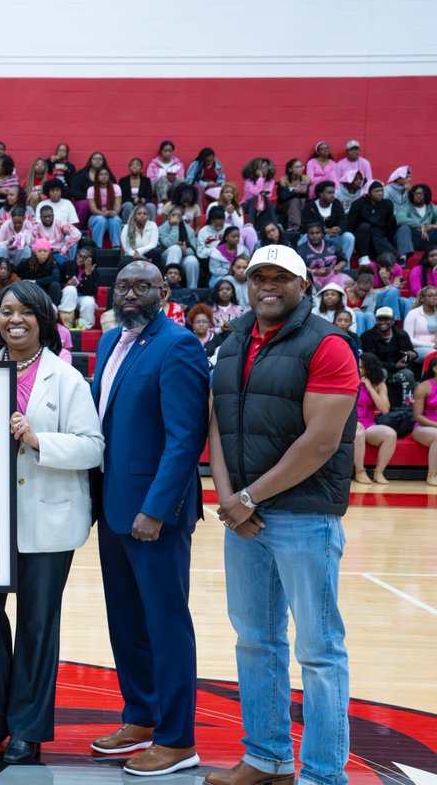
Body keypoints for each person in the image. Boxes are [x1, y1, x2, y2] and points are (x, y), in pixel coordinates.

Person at [207, 244, 358, 785]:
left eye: (279, 277)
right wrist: (229, 501)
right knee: (255, 640)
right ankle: (267, 758)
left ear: (302, 284)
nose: (266, 286)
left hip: (303, 518)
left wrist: (248, 499)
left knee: (318, 652)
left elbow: (320, 443)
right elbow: (218, 426)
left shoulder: (329, 344)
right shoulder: (232, 341)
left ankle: (322, 774)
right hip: (243, 521)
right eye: (257, 277)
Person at [0, 281, 103, 764]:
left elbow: (92, 446)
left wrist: (38, 439)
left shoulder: (67, 379)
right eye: (5, 311)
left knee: (38, 624)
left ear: (43, 318)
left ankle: (28, 727)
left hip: (48, 519)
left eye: (24, 311)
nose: (13, 319)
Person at [89, 260, 209, 774]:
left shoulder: (178, 344)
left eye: (142, 286)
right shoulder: (107, 341)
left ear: (163, 290)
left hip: (152, 514)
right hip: (113, 508)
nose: (131, 294)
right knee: (126, 623)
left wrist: (156, 510)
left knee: (165, 624)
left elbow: (186, 438)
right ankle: (140, 715)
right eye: (123, 286)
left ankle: (178, 738)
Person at [351, 352, 397, 485]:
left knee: (390, 434)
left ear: (369, 368)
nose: (357, 369)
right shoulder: (349, 379)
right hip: (350, 422)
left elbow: (384, 409)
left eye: (361, 367)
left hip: (369, 423)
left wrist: (370, 388)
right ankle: (360, 471)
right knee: (358, 432)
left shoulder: (379, 384)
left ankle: (379, 472)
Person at [360, 306, 418, 397]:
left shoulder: (401, 334)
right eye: (380, 319)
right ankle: (378, 403)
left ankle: (407, 403)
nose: (383, 322)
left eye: (386, 319)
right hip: (379, 370)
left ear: (393, 320)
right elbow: (370, 362)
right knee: (382, 372)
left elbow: (411, 352)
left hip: (398, 371)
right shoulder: (367, 337)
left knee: (408, 374)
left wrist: (413, 355)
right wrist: (394, 366)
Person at [347, 181, 398, 259]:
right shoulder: (358, 204)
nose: (380, 193)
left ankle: (385, 256)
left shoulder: (387, 204)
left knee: (374, 231)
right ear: (369, 193)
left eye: (381, 190)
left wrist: (390, 241)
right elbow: (350, 224)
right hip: (362, 237)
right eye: (376, 191)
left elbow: (389, 224)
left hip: (379, 235)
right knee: (365, 226)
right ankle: (384, 255)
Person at [412, 355, 437, 487]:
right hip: (423, 427)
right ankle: (432, 475)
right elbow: (418, 416)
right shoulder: (423, 387)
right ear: (435, 368)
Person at [396, 184, 437, 255]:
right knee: (404, 228)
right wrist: (420, 225)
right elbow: (400, 219)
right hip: (411, 240)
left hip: (427, 238)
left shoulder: (431, 207)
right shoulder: (405, 206)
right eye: (416, 193)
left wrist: (433, 226)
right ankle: (403, 256)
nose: (418, 196)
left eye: (421, 194)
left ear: (426, 195)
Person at [404, 285, 437, 360]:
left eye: (436, 295)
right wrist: (431, 345)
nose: (434, 298)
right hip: (417, 348)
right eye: (430, 296)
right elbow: (408, 339)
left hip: (434, 346)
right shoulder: (413, 314)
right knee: (435, 356)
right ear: (422, 299)